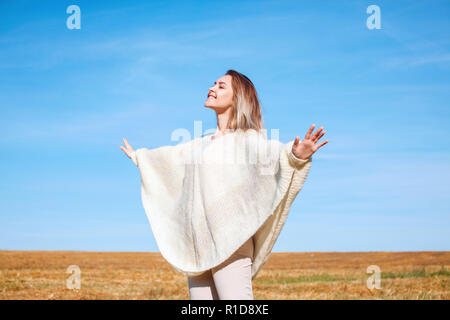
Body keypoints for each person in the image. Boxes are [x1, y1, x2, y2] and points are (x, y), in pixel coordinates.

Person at [120, 69, 328, 300]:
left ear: (237, 98)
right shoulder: (197, 145)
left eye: (221, 86)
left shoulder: (247, 139)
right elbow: (169, 160)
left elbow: (274, 155)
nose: (212, 88)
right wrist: (142, 158)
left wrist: (296, 155)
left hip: (231, 241)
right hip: (198, 247)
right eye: (213, 84)